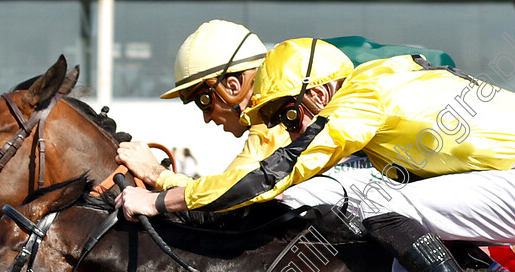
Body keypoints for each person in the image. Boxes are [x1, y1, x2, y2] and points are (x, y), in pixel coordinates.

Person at [117, 38, 515, 272]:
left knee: (379, 207)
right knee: (380, 198)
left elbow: (268, 178)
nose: (291, 130)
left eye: (289, 114)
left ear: (320, 90)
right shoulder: (373, 84)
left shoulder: (361, 98)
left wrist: (160, 199)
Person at [116, 20, 454, 212]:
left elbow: (235, 194)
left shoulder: (282, 110)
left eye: (203, 101)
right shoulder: (293, 75)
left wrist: (157, 177)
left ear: (233, 85)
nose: (207, 118)